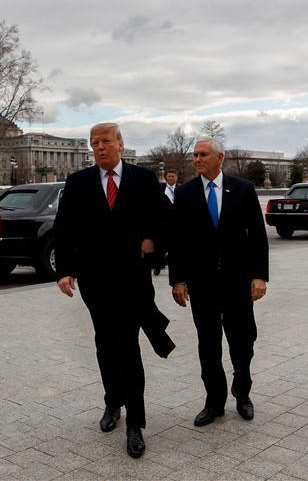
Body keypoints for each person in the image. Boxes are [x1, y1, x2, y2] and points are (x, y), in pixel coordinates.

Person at [54, 122, 173, 459]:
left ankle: (135, 423)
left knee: (128, 346)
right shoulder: (78, 183)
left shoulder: (144, 179)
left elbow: (164, 218)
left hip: (132, 280)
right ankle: (112, 403)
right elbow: (63, 230)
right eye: (94, 143)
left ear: (121, 143)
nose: (100, 147)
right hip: (95, 282)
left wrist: (152, 239)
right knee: (105, 345)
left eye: (106, 141)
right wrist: (64, 271)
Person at [169, 136, 269, 426]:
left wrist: (260, 275)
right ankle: (214, 402)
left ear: (219, 157)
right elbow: (178, 242)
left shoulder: (243, 189)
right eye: (195, 155)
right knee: (208, 346)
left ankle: (243, 391)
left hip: (238, 283)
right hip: (203, 285)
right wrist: (178, 280)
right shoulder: (185, 193)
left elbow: (258, 237)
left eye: (203, 154)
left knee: (243, 342)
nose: (197, 159)